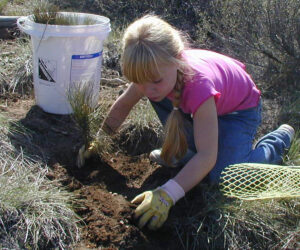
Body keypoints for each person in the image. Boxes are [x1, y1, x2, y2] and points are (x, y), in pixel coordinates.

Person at [94, 15, 295, 230]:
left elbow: (208, 156)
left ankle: (277, 141)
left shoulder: (198, 87)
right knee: (161, 98)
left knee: (224, 176)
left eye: (155, 81)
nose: (147, 90)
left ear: (176, 60)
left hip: (239, 110)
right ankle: (185, 153)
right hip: (197, 103)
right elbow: (125, 104)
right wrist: (98, 141)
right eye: (139, 82)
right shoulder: (151, 76)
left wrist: (167, 194)